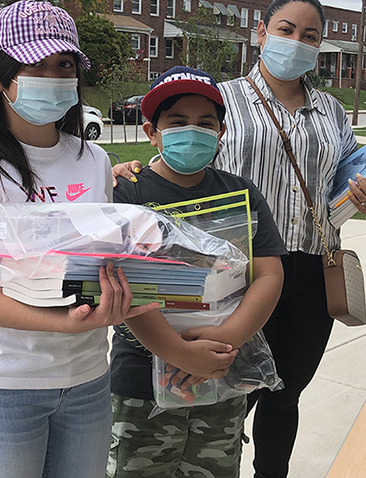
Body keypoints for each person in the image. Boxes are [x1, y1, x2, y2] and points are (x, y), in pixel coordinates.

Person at [112, 0, 366, 478]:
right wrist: (128, 171)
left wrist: (362, 196)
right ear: (261, 33)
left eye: (310, 35)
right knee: (222, 380)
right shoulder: (222, 98)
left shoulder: (332, 111)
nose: (297, 41)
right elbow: (177, 161)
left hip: (310, 265)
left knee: (285, 390)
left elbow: (343, 178)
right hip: (231, 275)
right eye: (286, 30)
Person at [0, 0, 159, 478]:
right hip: (0, 386)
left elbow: (95, 259)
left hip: (86, 380)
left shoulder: (93, 159)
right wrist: (69, 325)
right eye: (36, 63)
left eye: (64, 64)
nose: (55, 76)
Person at [108, 66, 286, 478]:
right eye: (177, 122)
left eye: (206, 123)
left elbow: (269, 275)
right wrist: (176, 351)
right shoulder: (128, 193)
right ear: (152, 131)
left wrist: (227, 338)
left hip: (223, 371)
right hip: (141, 379)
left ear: (221, 133)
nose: (193, 131)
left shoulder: (240, 194)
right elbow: (123, 282)